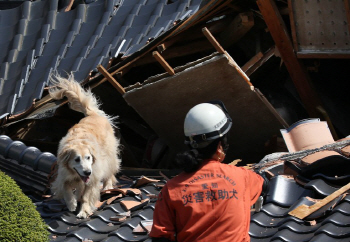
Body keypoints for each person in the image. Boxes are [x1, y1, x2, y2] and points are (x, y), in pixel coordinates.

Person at [149, 101, 268, 242]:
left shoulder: (172, 189)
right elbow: (265, 185)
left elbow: (160, 238)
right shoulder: (242, 177)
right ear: (220, 145)